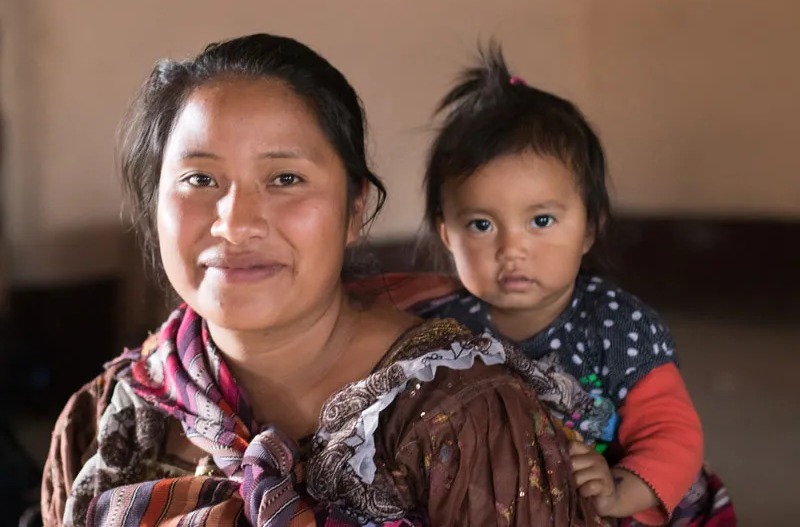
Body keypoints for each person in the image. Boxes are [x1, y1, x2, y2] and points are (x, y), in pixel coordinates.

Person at [41, 34, 609, 527]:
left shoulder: (458, 419)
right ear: (154, 204)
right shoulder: (108, 417)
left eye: (285, 177)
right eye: (199, 178)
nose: (236, 224)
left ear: (354, 210)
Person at [406, 44, 736, 526]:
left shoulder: (619, 326)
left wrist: (622, 489)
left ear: (588, 228)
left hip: (620, 502)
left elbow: (673, 432)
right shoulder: (442, 331)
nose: (511, 248)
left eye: (541, 220)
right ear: (444, 233)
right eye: (481, 225)